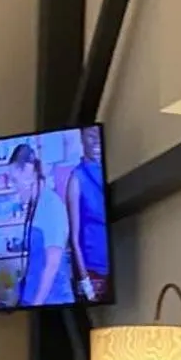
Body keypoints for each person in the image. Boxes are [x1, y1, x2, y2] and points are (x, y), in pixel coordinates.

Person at [13, 141, 72, 306]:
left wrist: (36, 306)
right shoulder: (36, 205)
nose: (14, 187)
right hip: (32, 293)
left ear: (28, 173)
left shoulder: (51, 206)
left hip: (52, 299)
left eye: (15, 180)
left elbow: (52, 264)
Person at [65, 126, 109, 302]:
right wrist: (86, 283)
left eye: (99, 136)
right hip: (93, 269)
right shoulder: (77, 178)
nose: (97, 140)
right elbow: (74, 238)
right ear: (82, 140)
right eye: (91, 136)